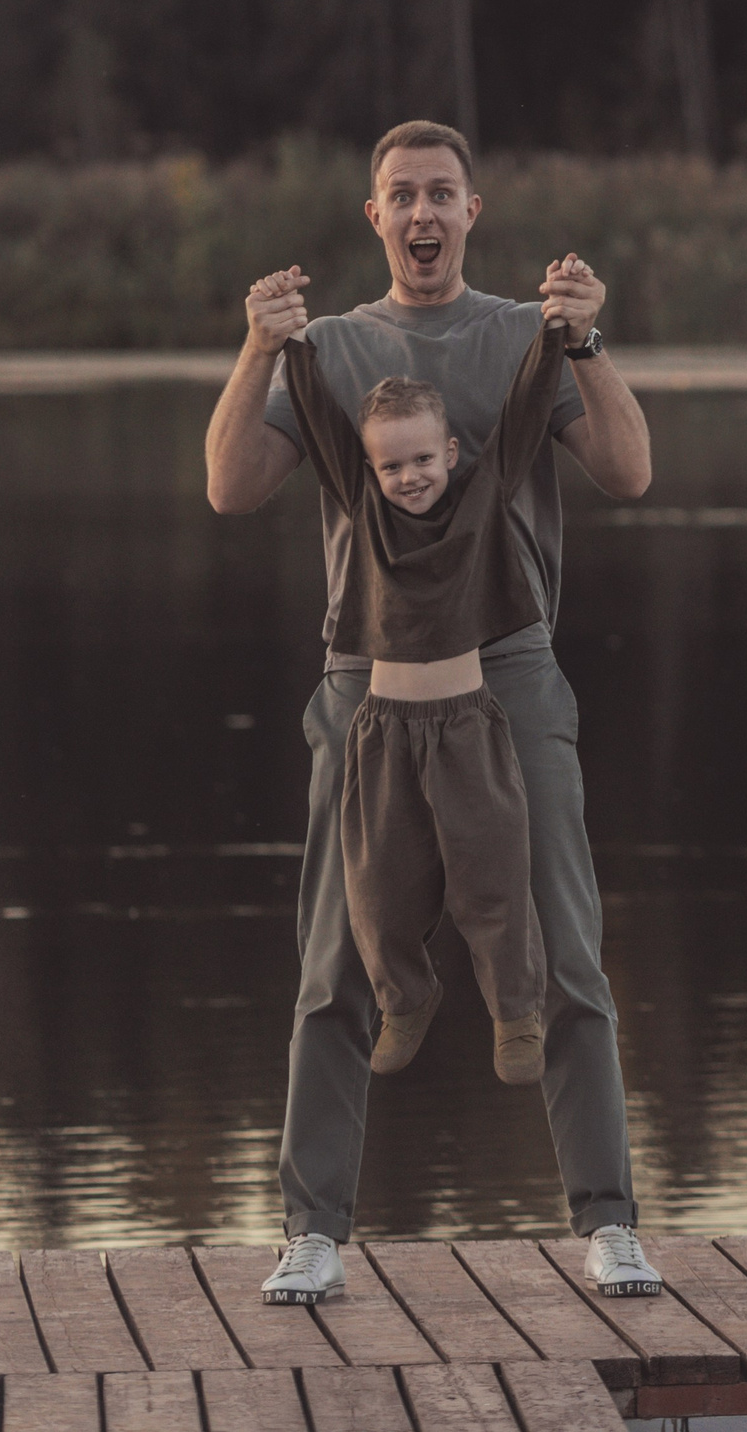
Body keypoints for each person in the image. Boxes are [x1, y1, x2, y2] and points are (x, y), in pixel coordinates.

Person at [204, 120, 663, 1305]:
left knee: (566, 954)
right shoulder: (333, 349)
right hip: (364, 684)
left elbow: (628, 471)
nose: (421, 214)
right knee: (334, 964)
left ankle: (608, 1223)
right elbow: (228, 486)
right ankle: (313, 1231)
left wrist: (590, 343)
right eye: (400, 194)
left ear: (472, 212)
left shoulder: (525, 337)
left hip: (510, 676)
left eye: (441, 195)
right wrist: (256, 350)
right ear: (374, 216)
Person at [277, 320, 564, 1089]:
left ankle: (516, 1013)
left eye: (421, 461)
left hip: (469, 725)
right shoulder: (365, 509)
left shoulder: (483, 501)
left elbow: (525, 417)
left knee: (492, 877)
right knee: (376, 888)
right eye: (391, 465)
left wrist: (560, 333)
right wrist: (289, 345)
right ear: (369, 471)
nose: (408, 477)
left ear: (452, 456)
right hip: (382, 732)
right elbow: (323, 426)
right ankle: (405, 999)